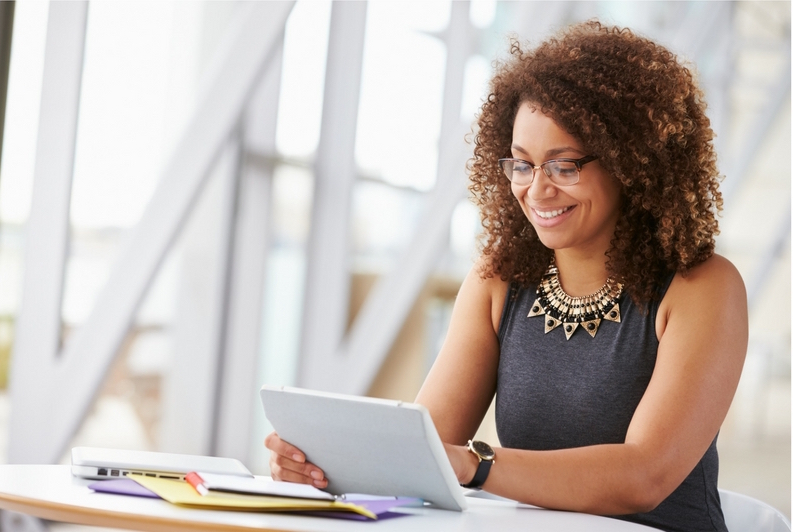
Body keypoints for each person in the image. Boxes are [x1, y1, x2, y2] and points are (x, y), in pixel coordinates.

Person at [265, 21, 747, 532]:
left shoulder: (703, 288)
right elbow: (423, 450)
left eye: (564, 166)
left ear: (633, 163)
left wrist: (478, 464)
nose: (536, 191)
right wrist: (321, 469)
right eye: (522, 164)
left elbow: (643, 475)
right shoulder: (500, 281)